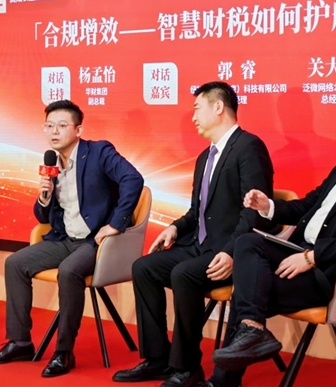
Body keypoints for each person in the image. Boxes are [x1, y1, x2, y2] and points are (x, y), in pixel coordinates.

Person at [207, 99, 336, 387]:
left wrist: (312, 257)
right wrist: (268, 206)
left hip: (330, 274)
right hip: (300, 254)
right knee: (248, 244)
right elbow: (308, 206)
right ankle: (251, 331)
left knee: (248, 288)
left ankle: (226, 376)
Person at [113, 82, 275, 387]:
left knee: (184, 274)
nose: (193, 117)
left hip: (229, 250)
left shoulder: (249, 147)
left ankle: (186, 368)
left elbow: (254, 213)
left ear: (218, 107)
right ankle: (157, 359)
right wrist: (175, 227)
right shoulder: (205, 157)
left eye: (197, 109)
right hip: (199, 245)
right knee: (144, 268)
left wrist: (232, 251)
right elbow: (196, 212)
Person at [0, 100, 144, 377]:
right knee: (15, 263)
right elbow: (43, 217)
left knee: (68, 272)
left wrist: (116, 225)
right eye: (49, 125)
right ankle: (20, 342)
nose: (54, 131)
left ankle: (63, 351)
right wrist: (44, 195)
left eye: (62, 125)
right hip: (64, 239)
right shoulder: (52, 164)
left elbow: (133, 179)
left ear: (78, 130)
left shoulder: (99, 152)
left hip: (95, 242)